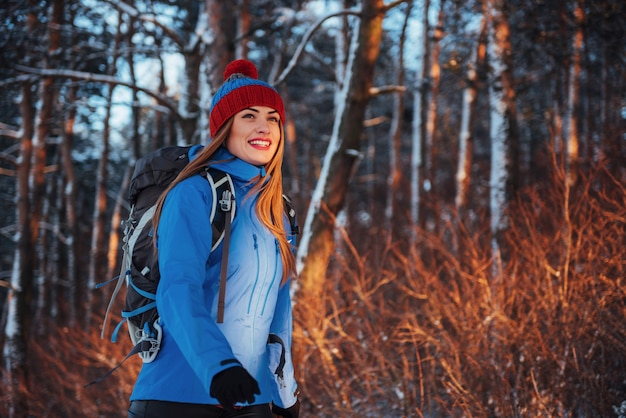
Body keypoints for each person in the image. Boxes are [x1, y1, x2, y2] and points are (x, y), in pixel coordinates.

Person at [127, 59, 300, 418]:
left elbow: (279, 310)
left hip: (251, 396)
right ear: (225, 127)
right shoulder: (196, 193)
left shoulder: (278, 210)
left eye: (273, 118)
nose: (264, 126)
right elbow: (177, 288)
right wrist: (219, 365)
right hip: (178, 395)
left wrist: (285, 392)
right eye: (249, 116)